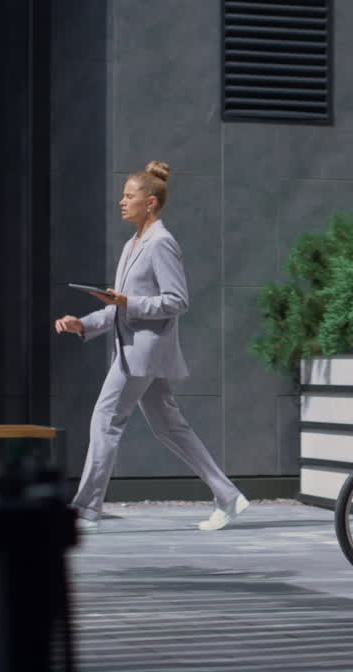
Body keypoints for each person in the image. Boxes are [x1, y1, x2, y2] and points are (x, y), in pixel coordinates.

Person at [55, 161, 248, 532]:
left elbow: (177, 300)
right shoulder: (133, 245)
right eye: (123, 195)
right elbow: (120, 306)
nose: (122, 201)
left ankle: (87, 510)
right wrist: (85, 324)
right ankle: (228, 495)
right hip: (138, 352)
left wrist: (128, 302)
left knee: (105, 419)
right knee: (170, 428)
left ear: (151, 202)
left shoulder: (161, 242)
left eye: (129, 196)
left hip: (141, 354)